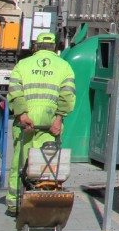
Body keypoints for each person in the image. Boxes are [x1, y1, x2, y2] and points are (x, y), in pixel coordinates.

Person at [5, 32, 76, 217]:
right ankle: (44, 198)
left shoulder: (23, 65)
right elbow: (67, 95)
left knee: (20, 161)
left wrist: (22, 115)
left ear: (36, 46)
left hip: (26, 122)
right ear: (55, 47)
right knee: (48, 163)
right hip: (50, 122)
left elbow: (14, 90)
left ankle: (15, 203)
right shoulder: (64, 66)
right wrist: (59, 118)